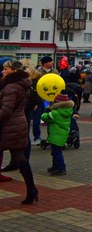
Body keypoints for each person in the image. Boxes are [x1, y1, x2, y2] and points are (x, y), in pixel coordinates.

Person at [0, 60, 38, 204]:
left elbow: (6, 110)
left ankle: (32, 189)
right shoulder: (21, 84)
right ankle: (32, 189)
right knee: (20, 159)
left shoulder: (11, 87)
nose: (3, 71)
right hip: (17, 124)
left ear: (14, 71)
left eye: (6, 69)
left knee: (20, 159)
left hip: (8, 126)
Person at [41, 91, 74, 176]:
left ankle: (61, 168)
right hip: (62, 134)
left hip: (56, 134)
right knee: (55, 152)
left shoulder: (55, 113)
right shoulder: (68, 110)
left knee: (57, 152)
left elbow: (45, 117)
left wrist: (46, 110)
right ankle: (55, 166)